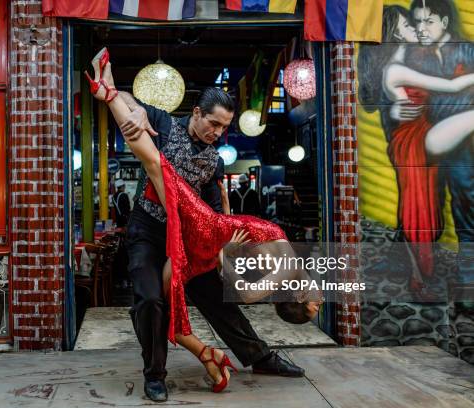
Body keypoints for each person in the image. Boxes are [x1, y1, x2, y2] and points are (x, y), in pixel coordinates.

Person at [84, 49, 321, 401]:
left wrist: (225, 244)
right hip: (148, 230)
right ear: (196, 113)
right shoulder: (164, 124)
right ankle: (155, 374)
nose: (218, 132)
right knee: (151, 299)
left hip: (191, 234)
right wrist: (132, 108)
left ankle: (260, 357)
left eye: (225, 127)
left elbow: (213, 213)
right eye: (214, 123)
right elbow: (134, 103)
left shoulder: (213, 161)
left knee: (218, 299)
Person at [357, 4, 474, 291]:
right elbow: (377, 96)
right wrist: (395, 107)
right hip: (415, 138)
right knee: (417, 203)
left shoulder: (451, 51)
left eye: (424, 22)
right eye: (412, 24)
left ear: (444, 21)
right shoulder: (398, 61)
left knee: (443, 201)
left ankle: (441, 271)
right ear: (395, 33)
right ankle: (417, 270)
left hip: (442, 138)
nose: (419, 29)